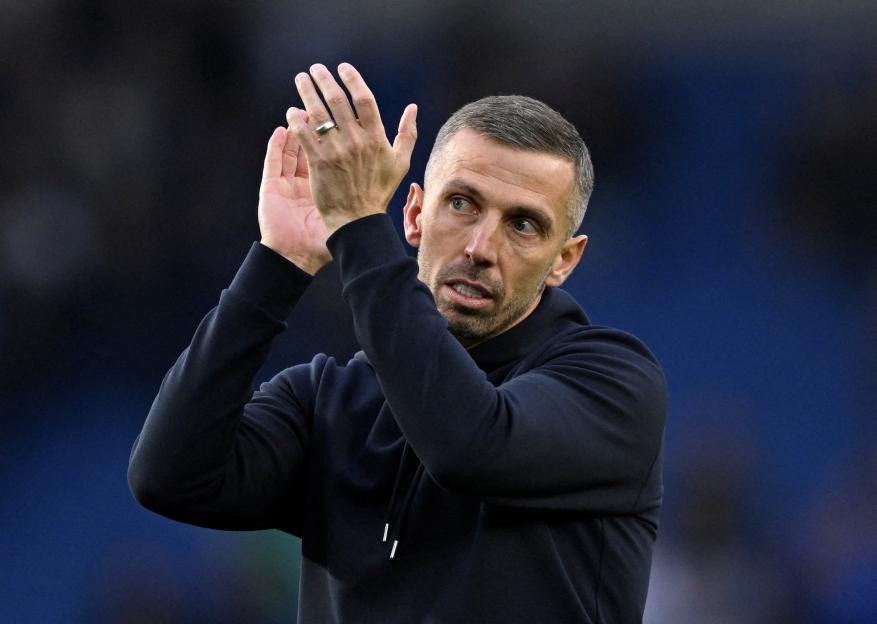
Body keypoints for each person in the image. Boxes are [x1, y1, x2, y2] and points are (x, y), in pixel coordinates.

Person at [128, 62, 667, 623]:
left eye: (523, 225)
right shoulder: (329, 399)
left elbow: (468, 446)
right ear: (413, 215)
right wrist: (278, 263)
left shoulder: (612, 383)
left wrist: (360, 226)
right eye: (462, 204)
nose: (481, 247)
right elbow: (169, 476)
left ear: (564, 260)